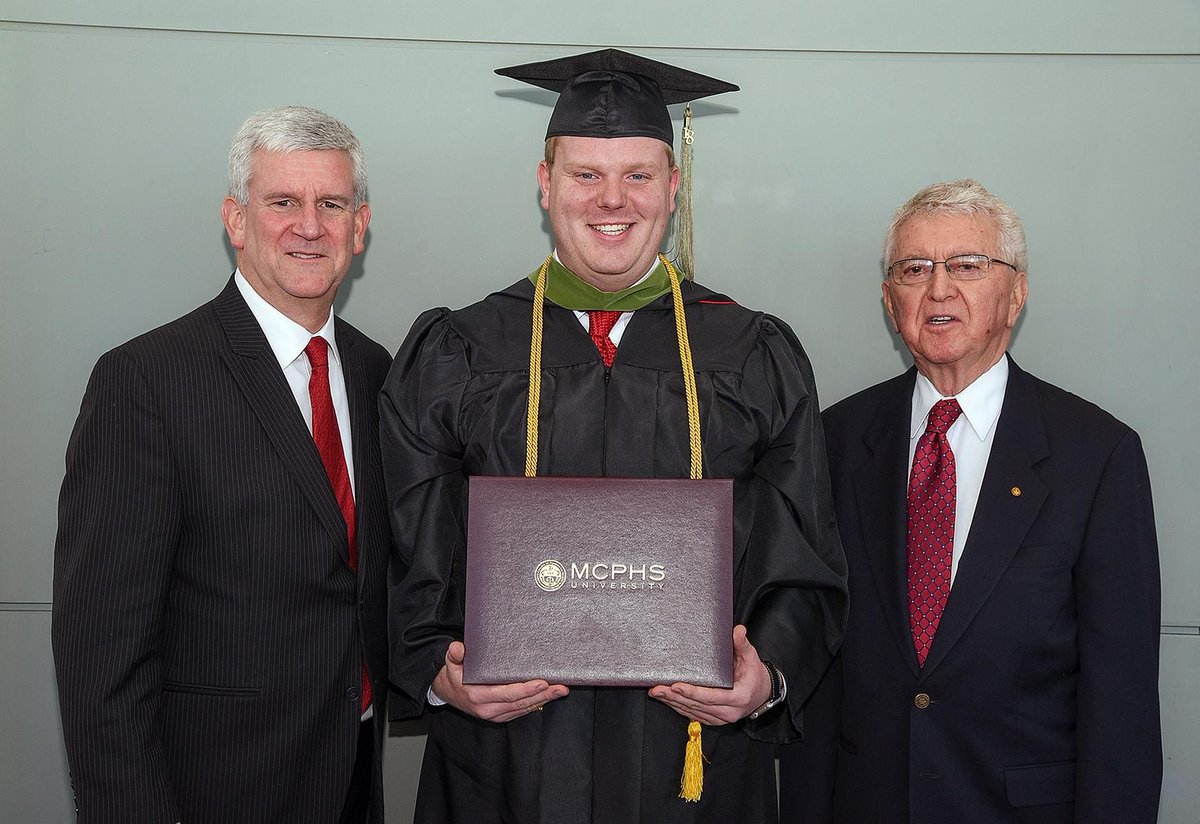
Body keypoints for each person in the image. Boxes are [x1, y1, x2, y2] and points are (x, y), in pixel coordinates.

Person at [381, 49, 848, 824]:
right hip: (504, 767)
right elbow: (406, 550)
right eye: (585, 174)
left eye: (637, 174)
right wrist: (440, 670)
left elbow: (805, 552)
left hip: (694, 763)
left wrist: (766, 674)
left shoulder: (751, 353)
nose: (612, 199)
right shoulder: (459, 352)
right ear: (545, 185)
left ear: (673, 187)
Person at [778, 179, 1162, 823]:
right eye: (913, 269)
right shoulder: (833, 441)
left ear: (1017, 293)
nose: (938, 289)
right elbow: (816, 664)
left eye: (967, 266)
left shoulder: (1097, 456)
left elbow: (1119, 705)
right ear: (887, 297)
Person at [52, 105, 391, 824]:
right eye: (282, 202)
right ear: (236, 220)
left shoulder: (378, 374)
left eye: (332, 204)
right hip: (213, 791)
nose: (309, 226)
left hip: (353, 780)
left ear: (360, 228)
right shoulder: (146, 381)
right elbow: (100, 653)